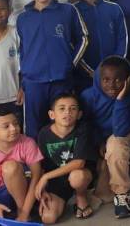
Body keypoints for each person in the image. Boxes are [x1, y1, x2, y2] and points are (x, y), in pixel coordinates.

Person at [15, 0, 89, 138]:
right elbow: (22, 51)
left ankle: (65, 156)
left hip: (62, 79)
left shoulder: (68, 11)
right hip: (33, 83)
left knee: (65, 124)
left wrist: (69, 65)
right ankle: (35, 157)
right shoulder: (23, 18)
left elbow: (84, 39)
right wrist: (22, 83)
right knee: (33, 128)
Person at [80, 55, 130, 218]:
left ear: (128, 80)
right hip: (97, 138)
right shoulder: (88, 96)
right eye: (106, 80)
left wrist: (121, 100)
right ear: (99, 79)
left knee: (115, 145)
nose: (112, 85)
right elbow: (86, 125)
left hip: (121, 134)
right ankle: (127, 165)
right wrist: (100, 142)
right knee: (103, 192)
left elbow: (121, 130)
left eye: (118, 80)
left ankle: (122, 195)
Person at [34, 93, 97, 223]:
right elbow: (41, 165)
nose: (67, 112)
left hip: (80, 175)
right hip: (57, 180)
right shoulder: (44, 134)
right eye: (62, 108)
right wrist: (43, 189)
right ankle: (65, 198)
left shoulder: (83, 129)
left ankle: (81, 196)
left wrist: (46, 177)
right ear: (52, 114)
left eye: (73, 108)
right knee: (48, 218)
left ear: (79, 114)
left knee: (77, 176)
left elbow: (79, 163)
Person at [0, 107, 43, 222]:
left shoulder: (28, 143)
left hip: (27, 191)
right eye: (6, 126)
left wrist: (24, 212)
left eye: (15, 124)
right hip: (1, 193)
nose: (13, 128)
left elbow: (36, 177)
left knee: (10, 167)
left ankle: (22, 212)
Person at [73, 0, 127, 92]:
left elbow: (122, 39)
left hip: (113, 75)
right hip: (84, 76)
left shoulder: (114, 8)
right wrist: (90, 71)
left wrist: (114, 67)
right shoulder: (73, 11)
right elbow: (72, 45)